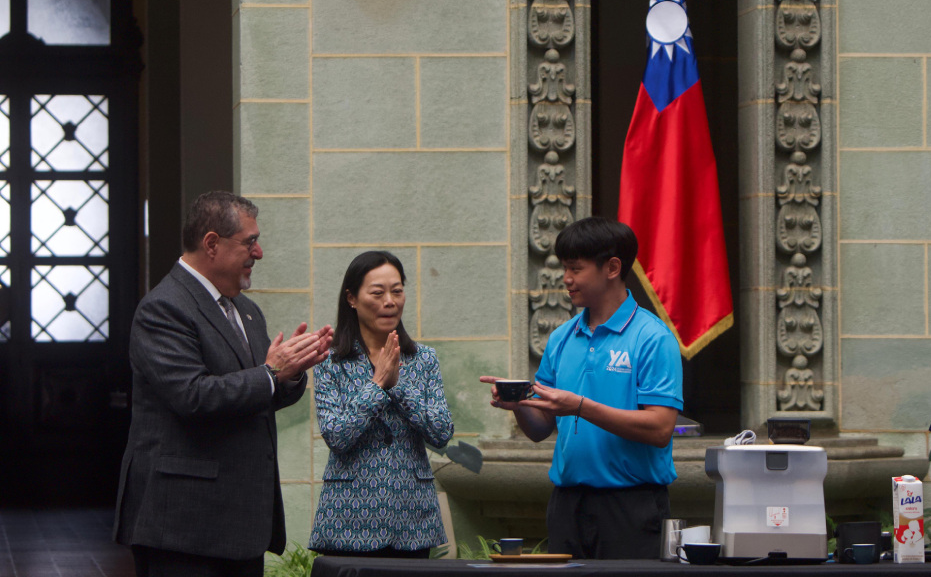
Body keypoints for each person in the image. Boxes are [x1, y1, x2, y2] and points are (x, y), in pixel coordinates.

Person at [113, 191, 333, 577]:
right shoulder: (164, 308)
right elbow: (192, 396)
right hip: (182, 527)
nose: (259, 252)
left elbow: (256, 391)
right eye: (250, 241)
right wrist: (269, 373)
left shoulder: (245, 310)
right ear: (211, 243)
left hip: (239, 523)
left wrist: (292, 372)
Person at [480, 217, 683, 559]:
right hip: (567, 504)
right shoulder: (561, 338)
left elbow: (661, 429)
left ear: (612, 267)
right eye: (565, 268)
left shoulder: (653, 337)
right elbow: (540, 430)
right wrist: (519, 406)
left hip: (631, 505)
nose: (567, 280)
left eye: (576, 268)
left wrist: (580, 406)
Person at [309, 251, 454, 558]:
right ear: (352, 298)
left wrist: (397, 385)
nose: (390, 301)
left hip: (412, 520)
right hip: (349, 518)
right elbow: (336, 436)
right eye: (378, 293)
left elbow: (441, 432)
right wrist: (376, 386)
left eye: (397, 291)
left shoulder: (423, 359)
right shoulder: (330, 361)